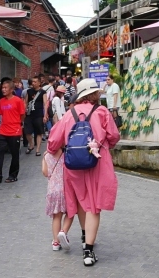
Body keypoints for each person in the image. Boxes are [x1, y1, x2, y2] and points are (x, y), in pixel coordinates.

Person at [47, 78, 120, 267]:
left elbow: (53, 142)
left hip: (73, 165)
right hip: (97, 163)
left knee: (81, 201)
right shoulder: (102, 111)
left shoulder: (68, 114)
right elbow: (114, 136)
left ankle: (83, 234)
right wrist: (102, 145)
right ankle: (88, 251)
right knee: (94, 207)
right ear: (94, 94)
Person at [0, 78, 24, 185]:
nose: (3, 90)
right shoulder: (1, 101)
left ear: (11, 89)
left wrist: (19, 125)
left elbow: (22, 115)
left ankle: (13, 175)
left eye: (5, 88)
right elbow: (1, 115)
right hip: (3, 131)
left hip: (15, 131)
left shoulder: (18, 101)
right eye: (2, 88)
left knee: (15, 154)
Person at [42, 147, 75, 251]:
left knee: (56, 217)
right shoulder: (65, 154)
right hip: (65, 189)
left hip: (52, 191)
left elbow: (45, 173)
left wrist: (43, 159)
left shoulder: (47, 156)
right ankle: (63, 232)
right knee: (71, 213)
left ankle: (56, 242)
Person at [24, 75, 48, 156]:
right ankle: (31, 144)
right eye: (32, 82)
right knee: (27, 131)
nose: (33, 83)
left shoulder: (43, 92)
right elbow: (26, 102)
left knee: (39, 132)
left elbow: (45, 104)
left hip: (39, 115)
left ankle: (37, 150)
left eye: (35, 82)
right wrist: (24, 111)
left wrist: (45, 115)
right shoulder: (29, 91)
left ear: (39, 83)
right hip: (29, 114)